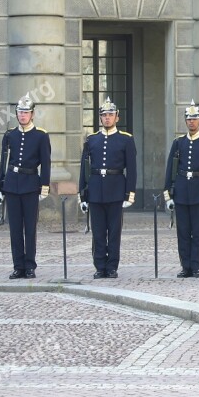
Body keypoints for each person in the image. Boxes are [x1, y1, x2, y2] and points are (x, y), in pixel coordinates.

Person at [79, 98, 137, 279]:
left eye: (110, 115)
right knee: (97, 232)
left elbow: (132, 169)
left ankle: (112, 266)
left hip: (116, 189)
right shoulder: (92, 140)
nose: (107, 118)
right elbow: (84, 168)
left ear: (117, 118)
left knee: (113, 232)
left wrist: (130, 193)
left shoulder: (126, 140)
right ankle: (99, 266)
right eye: (104, 115)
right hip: (96, 190)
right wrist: (83, 195)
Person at [0, 93, 51, 279]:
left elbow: (46, 163)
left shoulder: (41, 136)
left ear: (32, 114)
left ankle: (30, 266)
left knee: (30, 228)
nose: (22, 115)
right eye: (20, 112)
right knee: (15, 229)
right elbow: (4, 162)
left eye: (26, 112)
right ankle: (18, 266)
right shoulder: (10, 135)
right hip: (11, 184)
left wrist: (44, 186)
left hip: (30, 185)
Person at [164, 101, 199, 278]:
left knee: (197, 232)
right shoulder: (178, 142)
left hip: (198, 189)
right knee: (183, 232)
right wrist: (168, 193)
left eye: (194, 119)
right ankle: (185, 265)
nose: (191, 122)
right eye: (188, 119)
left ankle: (196, 266)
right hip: (181, 190)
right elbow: (170, 170)